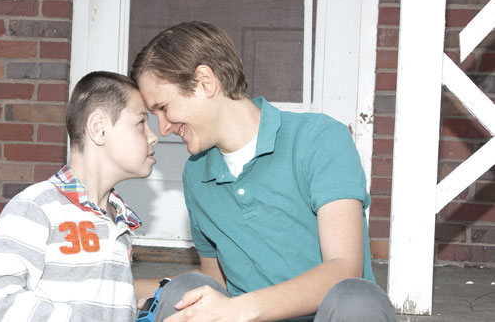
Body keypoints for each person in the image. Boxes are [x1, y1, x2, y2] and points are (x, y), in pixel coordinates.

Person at [130, 21, 397, 322]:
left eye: (164, 108)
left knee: (357, 298)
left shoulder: (318, 139)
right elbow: (215, 283)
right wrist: (116, 283)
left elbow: (344, 269)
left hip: (331, 315)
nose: (163, 128)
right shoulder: (197, 174)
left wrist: (240, 309)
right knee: (185, 291)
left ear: (205, 82)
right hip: (246, 316)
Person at [0, 71, 159, 321]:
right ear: (99, 129)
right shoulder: (37, 207)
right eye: (141, 123)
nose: (153, 136)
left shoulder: (120, 222)